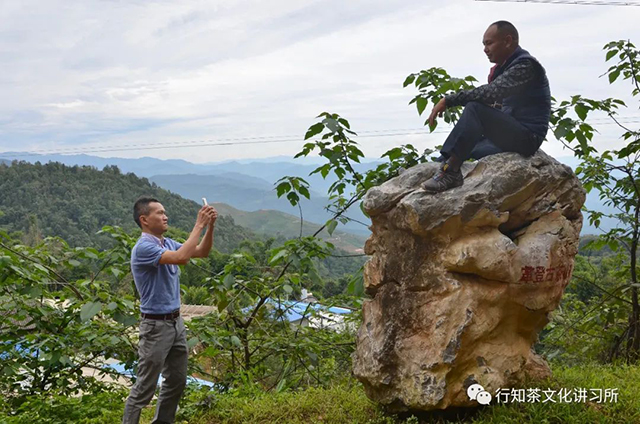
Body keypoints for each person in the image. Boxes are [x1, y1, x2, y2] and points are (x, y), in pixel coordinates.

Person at [423, 20, 551, 193]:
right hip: (512, 133)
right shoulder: (506, 68)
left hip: (528, 137)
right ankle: (430, 173)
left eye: (489, 43)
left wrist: (448, 100)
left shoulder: (525, 66)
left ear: (507, 41)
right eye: (484, 44)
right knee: (465, 147)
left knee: (475, 108)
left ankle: (450, 174)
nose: (485, 49)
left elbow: (491, 93)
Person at [123, 197, 217, 424]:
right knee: (145, 387)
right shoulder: (144, 247)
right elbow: (182, 258)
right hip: (155, 326)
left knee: (176, 380)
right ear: (144, 220)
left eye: (165, 212)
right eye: (159, 213)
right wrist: (199, 225)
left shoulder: (166, 243)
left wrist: (210, 226)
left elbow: (201, 252)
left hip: (176, 322)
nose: (165, 216)